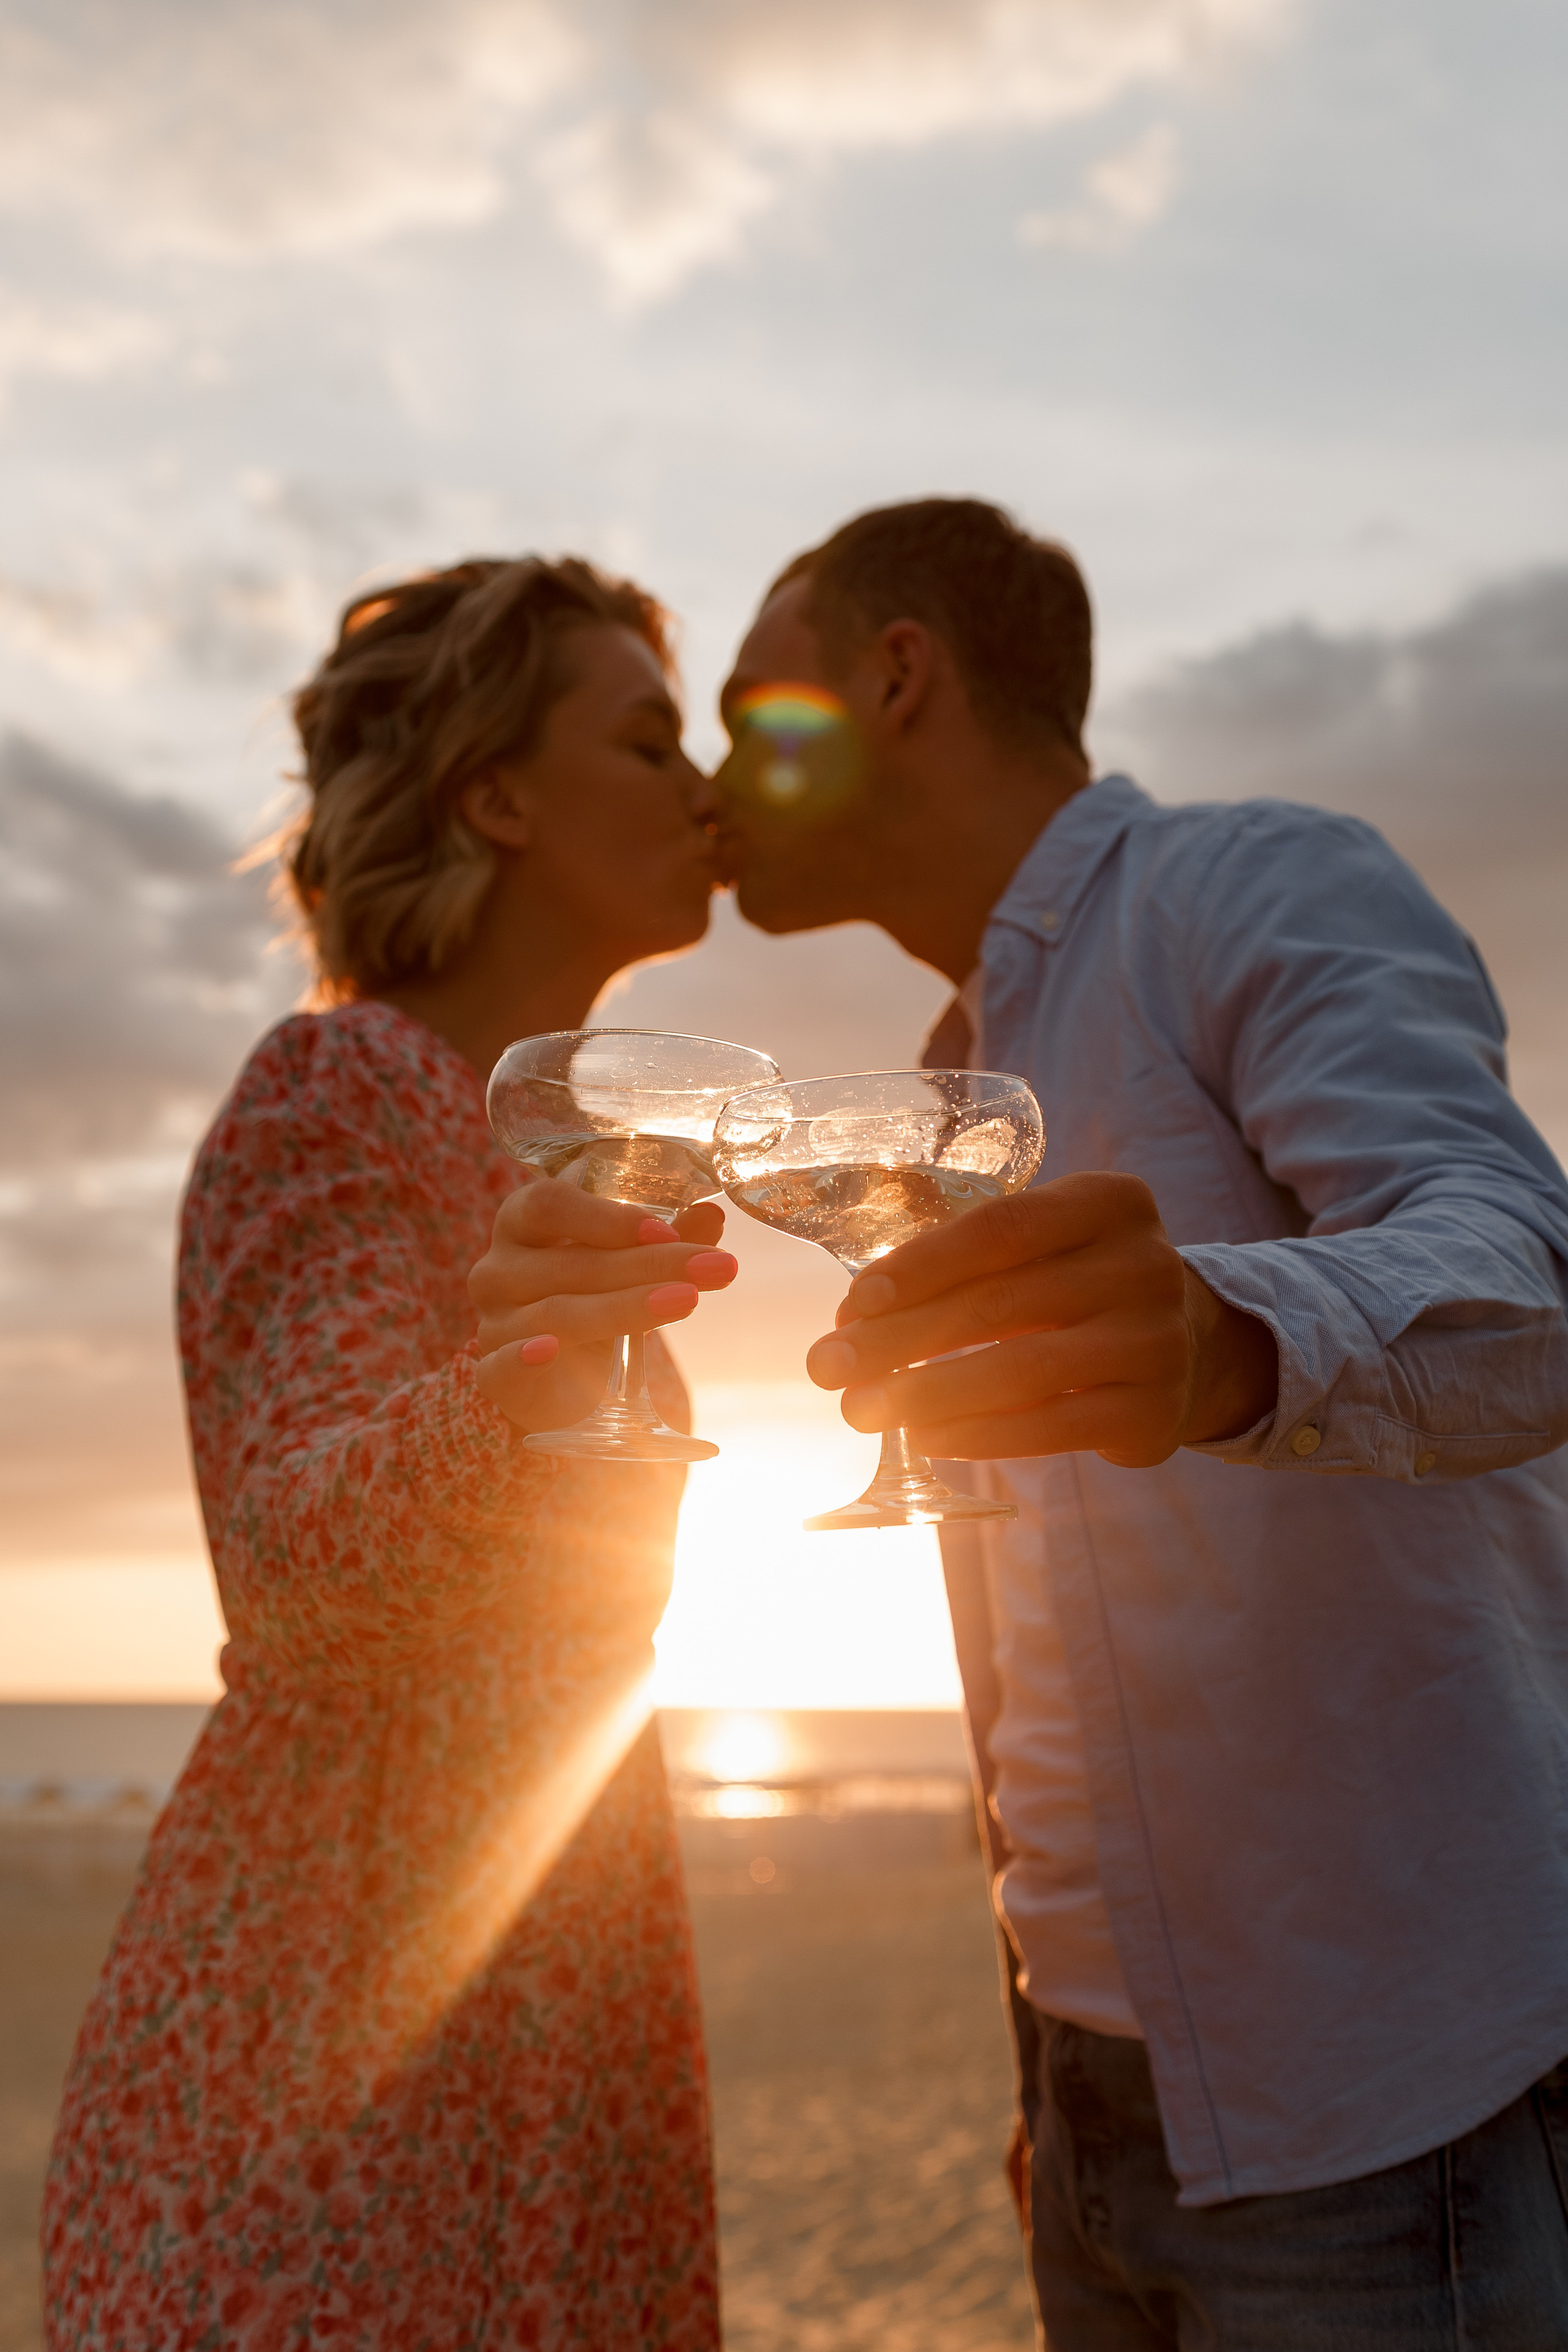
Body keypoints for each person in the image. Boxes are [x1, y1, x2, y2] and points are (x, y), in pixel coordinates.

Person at [717, 498, 1568, 2348]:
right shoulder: (949, 1081)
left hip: (1378, 2098)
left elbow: (1525, 1280)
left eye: (747, 711)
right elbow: (1037, 1645)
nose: (717, 774)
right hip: (1105, 2099)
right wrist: (1059, 2066)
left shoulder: (1251, 884)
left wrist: (1225, 1343)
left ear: (894, 675)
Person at [43, 556, 738, 2349]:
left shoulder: (550, 1145)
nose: (706, 785)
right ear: (494, 794)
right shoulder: (335, 1089)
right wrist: (523, 1387)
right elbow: (291, 1567)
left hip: (550, 2028)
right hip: (327, 2052)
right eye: (649, 740)